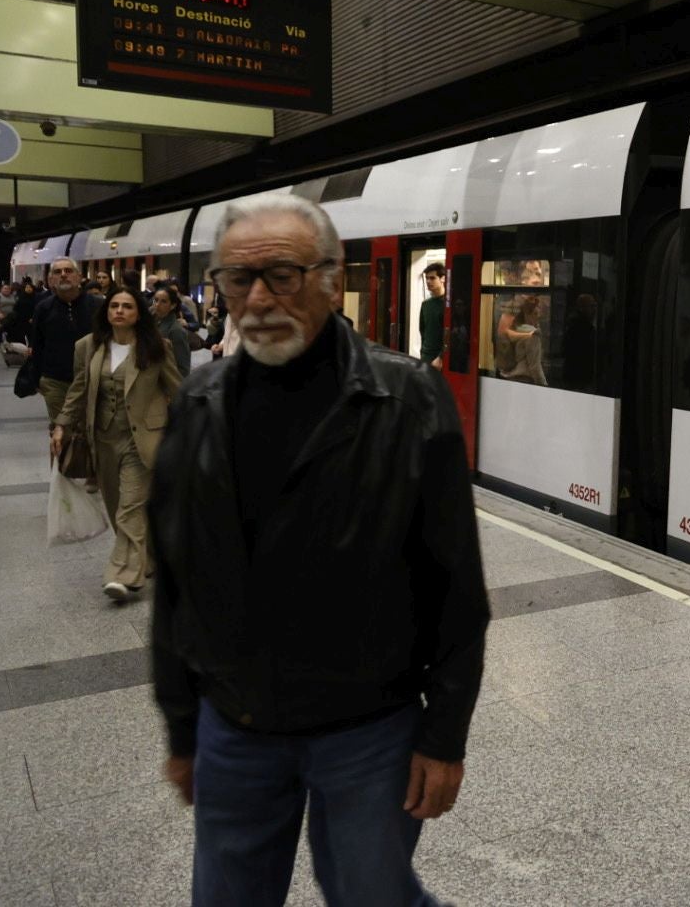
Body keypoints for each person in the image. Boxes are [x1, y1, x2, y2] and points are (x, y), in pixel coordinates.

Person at [148, 195, 489, 906]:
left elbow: (454, 583)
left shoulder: (407, 399)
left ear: (332, 280)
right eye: (237, 281)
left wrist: (444, 735)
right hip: (234, 725)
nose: (259, 298)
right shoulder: (200, 401)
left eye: (283, 274)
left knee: (371, 896)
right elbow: (176, 574)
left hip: (369, 728)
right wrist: (183, 726)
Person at [52, 289, 181, 600]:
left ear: (139, 313)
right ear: (107, 311)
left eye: (127, 306)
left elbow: (178, 389)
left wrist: (187, 430)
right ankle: (148, 557)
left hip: (144, 439)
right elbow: (79, 388)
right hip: (104, 439)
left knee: (129, 507)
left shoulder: (156, 347)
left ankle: (123, 575)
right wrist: (61, 425)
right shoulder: (89, 346)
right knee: (115, 506)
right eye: (114, 306)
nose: (120, 311)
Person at [27, 258, 104, 429]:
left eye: (68, 271)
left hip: (93, 380)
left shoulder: (98, 306)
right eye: (57, 272)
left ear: (79, 277)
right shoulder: (43, 308)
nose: (63, 275)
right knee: (62, 432)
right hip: (55, 381)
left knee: (93, 431)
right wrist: (38, 379)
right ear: (50, 279)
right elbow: (37, 346)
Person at [497, 294, 547, 384]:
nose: (538, 317)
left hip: (508, 376)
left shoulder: (517, 329)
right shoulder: (533, 335)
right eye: (535, 314)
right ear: (527, 314)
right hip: (524, 379)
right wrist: (544, 385)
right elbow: (535, 367)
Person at [149, 286, 193, 377]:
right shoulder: (152, 321)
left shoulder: (176, 330)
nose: (157, 304)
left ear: (173, 305)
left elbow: (183, 368)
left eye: (163, 302)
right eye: (155, 300)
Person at [562, 292, 599, 391]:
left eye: (595, 306)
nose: (594, 310)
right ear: (582, 308)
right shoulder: (581, 327)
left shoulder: (573, 324)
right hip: (579, 378)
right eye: (591, 306)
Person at [419, 261, 446, 369]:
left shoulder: (448, 305)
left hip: (441, 359)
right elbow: (423, 330)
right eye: (427, 278)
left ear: (442, 278)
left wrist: (441, 357)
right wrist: (422, 353)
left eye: (432, 278)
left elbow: (451, 335)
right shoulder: (425, 304)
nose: (428, 281)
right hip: (426, 356)